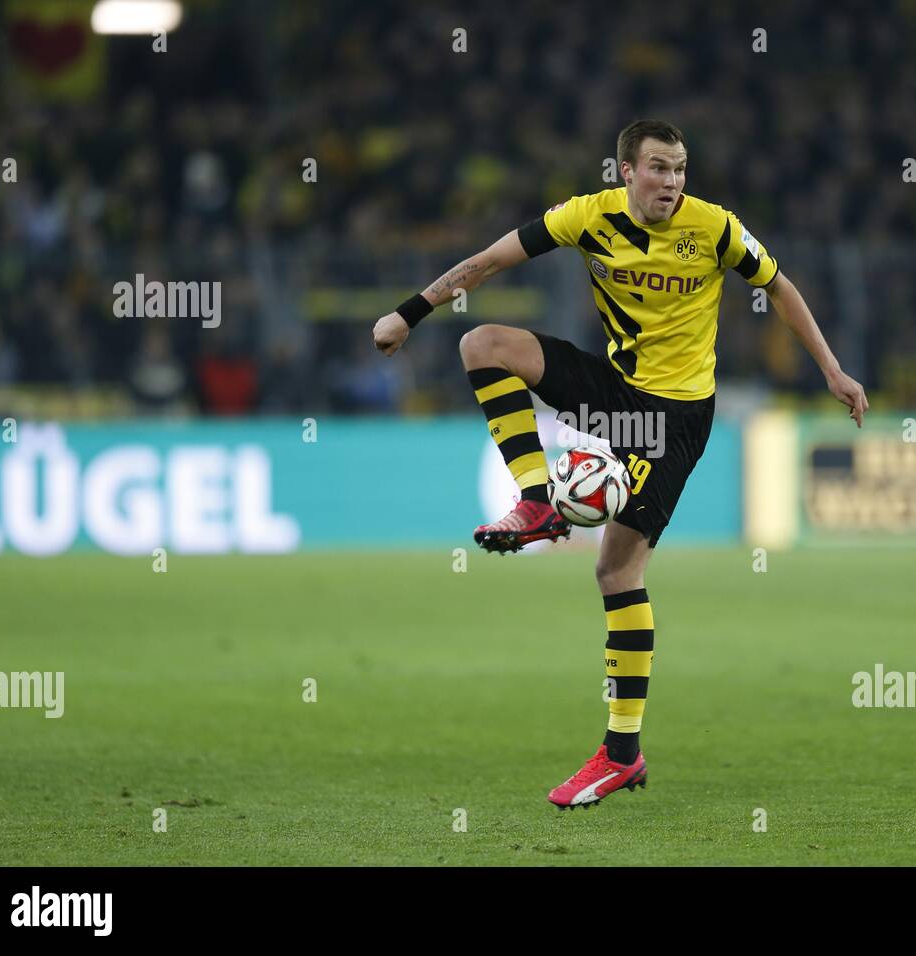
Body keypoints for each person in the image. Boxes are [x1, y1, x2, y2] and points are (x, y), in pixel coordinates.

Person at [372, 119, 868, 809]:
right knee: (483, 344)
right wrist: (409, 312)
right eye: (659, 168)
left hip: (677, 417)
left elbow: (780, 287)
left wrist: (834, 370)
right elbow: (486, 263)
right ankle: (537, 500)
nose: (671, 182)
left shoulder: (715, 228)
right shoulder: (585, 217)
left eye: (680, 170)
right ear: (624, 172)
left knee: (615, 570)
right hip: (616, 391)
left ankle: (620, 754)